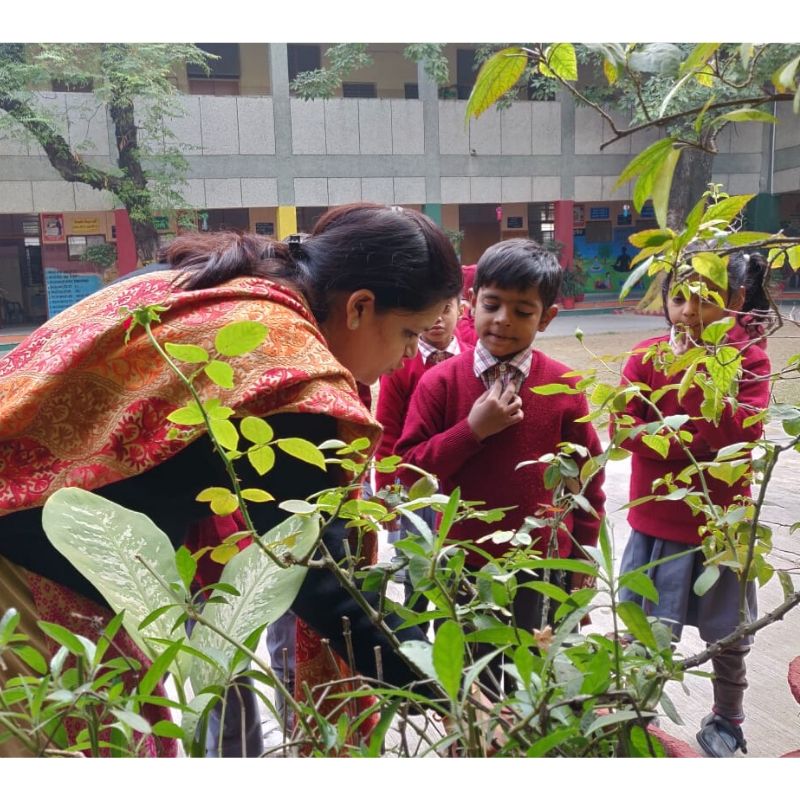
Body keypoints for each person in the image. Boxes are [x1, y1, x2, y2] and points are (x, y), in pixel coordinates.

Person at [0, 202, 462, 757]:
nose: (413, 353)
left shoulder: (209, 277)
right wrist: (453, 692)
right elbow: (318, 574)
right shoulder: (285, 374)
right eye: (410, 332)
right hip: (23, 564)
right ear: (360, 307)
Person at [395, 239, 606, 689]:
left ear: (547, 317)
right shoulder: (440, 383)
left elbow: (587, 484)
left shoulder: (564, 387)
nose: (504, 320)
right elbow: (410, 469)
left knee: (535, 686)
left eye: (523, 311)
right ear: (471, 304)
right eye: (492, 304)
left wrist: (581, 569)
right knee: (473, 688)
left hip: (541, 569)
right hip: (465, 568)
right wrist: (471, 431)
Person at [613, 250, 773, 758]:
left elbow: (740, 437)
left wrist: (691, 390)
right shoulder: (645, 355)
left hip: (720, 528)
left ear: (735, 299)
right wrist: (686, 443)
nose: (686, 312)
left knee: (731, 635)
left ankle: (728, 716)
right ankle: (638, 709)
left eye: (703, 300)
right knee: (645, 633)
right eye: (678, 298)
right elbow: (621, 431)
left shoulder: (748, 359)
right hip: (656, 523)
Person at [374, 293, 463, 609]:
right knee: (414, 573)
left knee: (454, 572)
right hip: (413, 488)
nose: (438, 319)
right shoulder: (401, 364)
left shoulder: (471, 359)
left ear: (461, 310)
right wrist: (389, 496)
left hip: (459, 485)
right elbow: (387, 437)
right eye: (430, 312)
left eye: (446, 309)